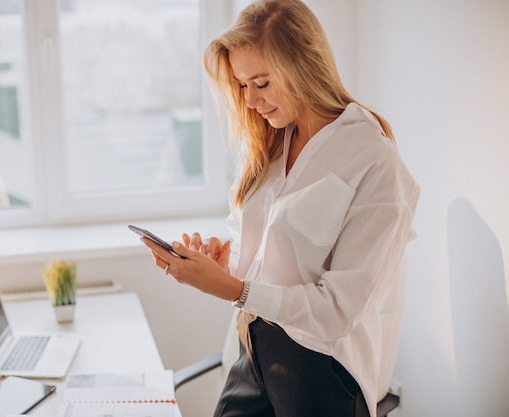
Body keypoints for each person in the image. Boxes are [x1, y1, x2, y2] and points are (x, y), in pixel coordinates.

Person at [140, 1, 419, 416]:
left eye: (262, 83)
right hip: (253, 349)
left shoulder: (374, 162)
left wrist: (231, 288)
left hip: (320, 374)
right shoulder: (269, 145)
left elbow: (336, 311)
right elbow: (267, 263)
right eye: (242, 85)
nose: (250, 101)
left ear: (304, 66)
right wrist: (224, 263)